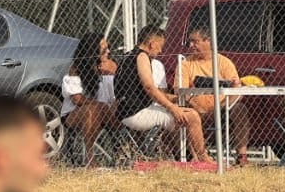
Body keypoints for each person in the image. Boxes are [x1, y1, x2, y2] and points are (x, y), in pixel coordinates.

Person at [114, 24, 207, 161]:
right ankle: (203, 158)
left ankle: (190, 157)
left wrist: (173, 100)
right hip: (137, 113)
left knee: (184, 115)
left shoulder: (128, 56)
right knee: (192, 116)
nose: (161, 50)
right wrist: (172, 107)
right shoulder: (142, 57)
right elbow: (149, 87)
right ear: (152, 44)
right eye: (160, 46)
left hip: (125, 111)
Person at [178, 25, 249, 165]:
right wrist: (197, 106)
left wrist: (224, 106)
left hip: (222, 109)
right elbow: (180, 92)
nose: (190, 45)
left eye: (195, 41)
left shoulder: (223, 62)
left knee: (240, 109)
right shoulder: (186, 64)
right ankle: (198, 158)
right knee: (189, 113)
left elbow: (237, 90)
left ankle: (242, 157)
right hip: (196, 110)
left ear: (208, 41)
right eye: (189, 42)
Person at [61, 36, 117, 167]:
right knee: (91, 110)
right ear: (93, 51)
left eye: (108, 48)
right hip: (73, 114)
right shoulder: (76, 69)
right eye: (104, 50)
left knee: (107, 108)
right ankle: (89, 156)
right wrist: (100, 106)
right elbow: (77, 99)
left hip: (101, 113)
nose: (108, 52)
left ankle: (125, 144)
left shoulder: (108, 67)